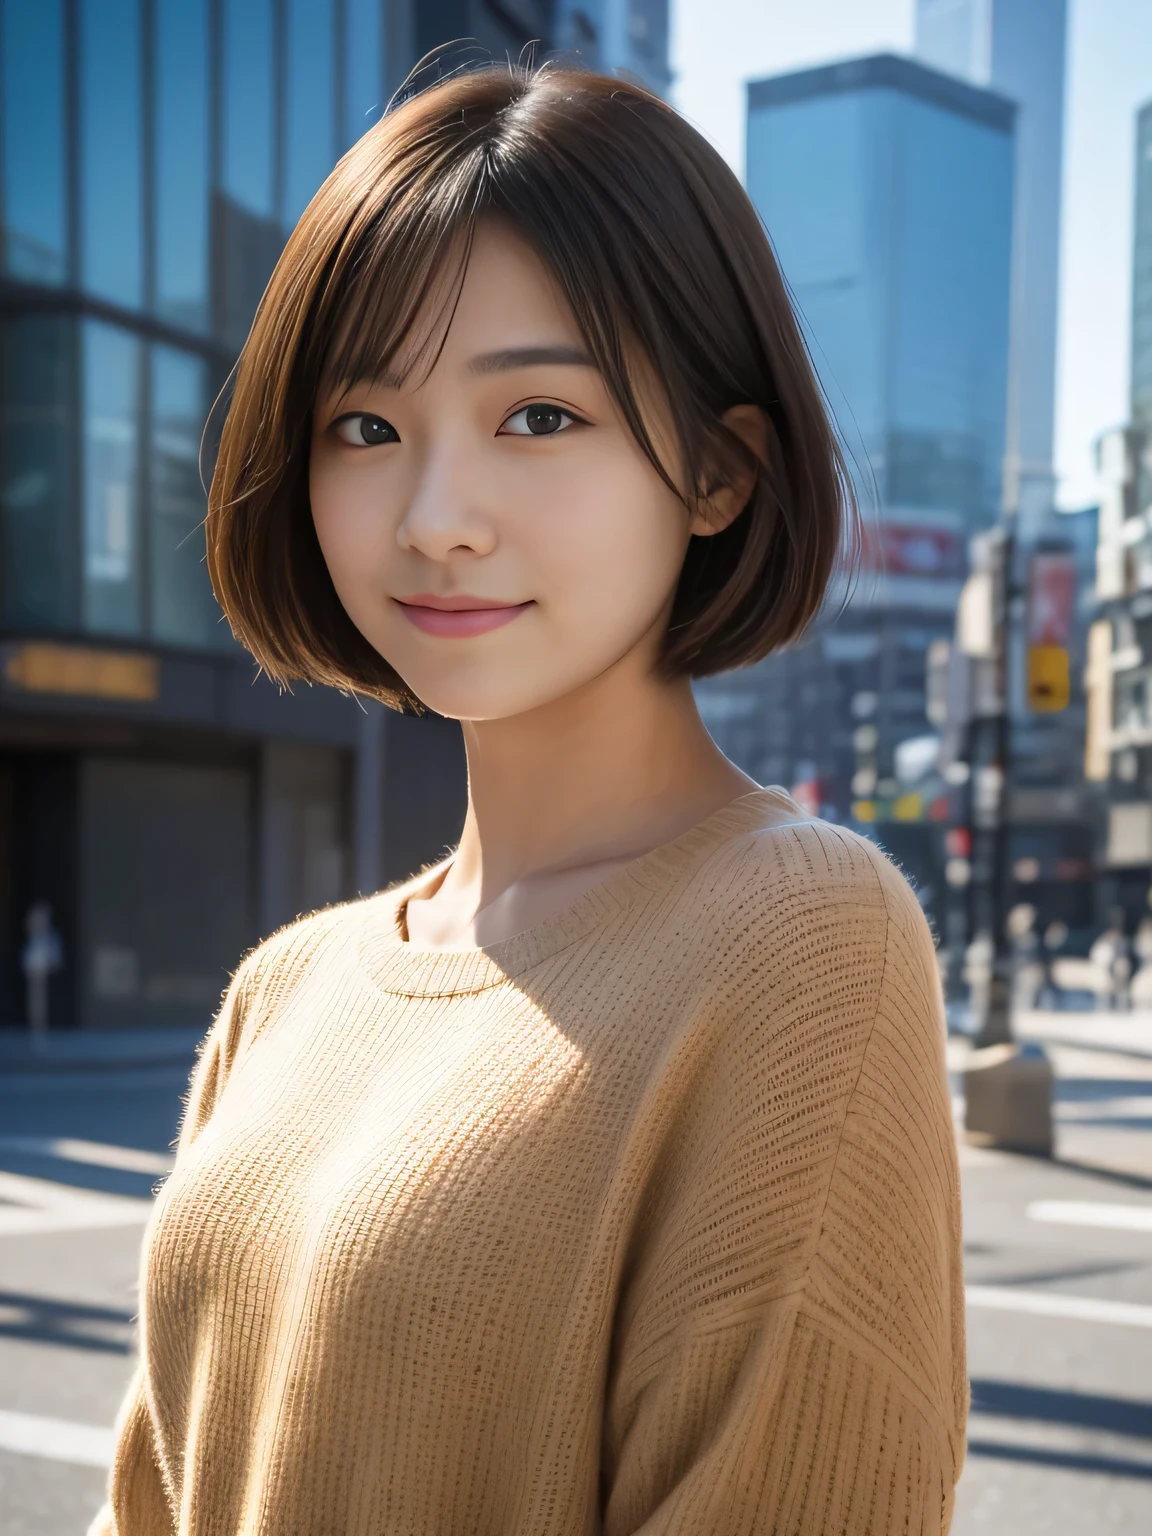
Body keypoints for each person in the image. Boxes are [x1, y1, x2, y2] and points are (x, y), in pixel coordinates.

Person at [91, 63, 966, 1536]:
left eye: (540, 417)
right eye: (364, 429)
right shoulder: (285, 989)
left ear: (718, 472)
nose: (434, 516)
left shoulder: (802, 939)